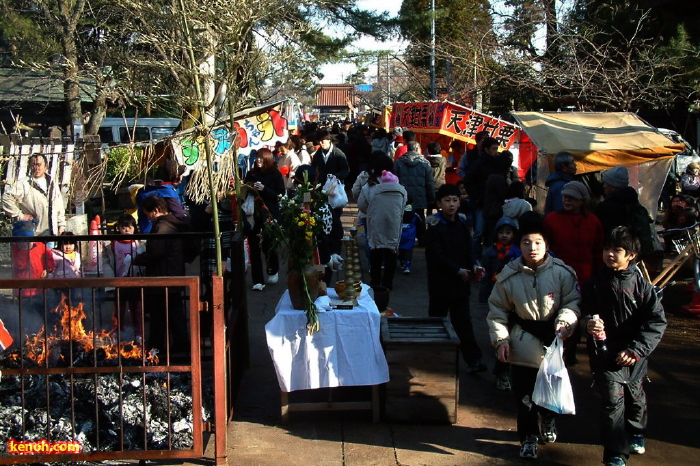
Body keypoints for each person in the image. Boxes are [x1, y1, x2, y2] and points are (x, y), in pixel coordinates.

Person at [487, 212, 580, 459]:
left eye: (538, 242)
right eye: (526, 243)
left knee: (550, 394)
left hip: (553, 344)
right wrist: (501, 341)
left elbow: (572, 302)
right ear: (519, 246)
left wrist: (565, 322)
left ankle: (548, 419)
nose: (532, 248)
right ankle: (528, 438)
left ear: (547, 245)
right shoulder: (509, 276)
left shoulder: (562, 273)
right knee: (525, 398)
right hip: (522, 346)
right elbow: (497, 312)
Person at [581, 226, 667, 466]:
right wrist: (587, 324)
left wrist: (636, 350)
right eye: (607, 249)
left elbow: (656, 321)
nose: (609, 254)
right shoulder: (594, 284)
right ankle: (616, 453)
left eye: (617, 250)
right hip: (605, 354)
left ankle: (637, 431)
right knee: (612, 402)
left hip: (634, 353)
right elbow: (583, 313)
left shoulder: (641, 286)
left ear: (631, 255)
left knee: (635, 396)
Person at [426, 183, 486, 373]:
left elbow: (468, 250)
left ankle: (474, 359)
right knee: (437, 323)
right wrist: (456, 270)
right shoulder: (433, 226)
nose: (451, 204)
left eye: (454, 200)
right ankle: (434, 361)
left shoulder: (462, 224)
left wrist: (475, 265)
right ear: (439, 203)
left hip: (461, 284)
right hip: (441, 284)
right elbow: (435, 255)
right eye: (447, 201)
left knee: (464, 323)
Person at [132, 195, 190, 356]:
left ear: (156, 211)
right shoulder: (171, 224)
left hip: (163, 277)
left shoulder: (163, 227)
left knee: (160, 316)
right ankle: (180, 347)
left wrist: (138, 259)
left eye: (148, 214)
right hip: (172, 275)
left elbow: (155, 252)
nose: (148, 218)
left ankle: (158, 349)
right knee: (175, 314)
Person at [358, 155, 407, 305]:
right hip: (393, 222)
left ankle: (375, 281)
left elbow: (361, 204)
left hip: (375, 222)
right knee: (391, 251)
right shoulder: (399, 186)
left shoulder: (370, 185)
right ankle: (388, 282)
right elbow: (403, 204)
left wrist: (371, 212)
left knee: (376, 251)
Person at [480, 216, 521, 391]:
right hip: (495, 294)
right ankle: (501, 369)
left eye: (508, 232)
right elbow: (485, 275)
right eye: (502, 232)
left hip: (513, 298)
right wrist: (484, 295)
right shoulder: (491, 252)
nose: (504, 236)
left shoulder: (517, 253)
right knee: (498, 324)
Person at [244, 148, 286, 290]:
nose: (259, 161)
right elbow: (244, 190)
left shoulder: (275, 174)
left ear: (268, 159)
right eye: (257, 158)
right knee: (254, 246)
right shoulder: (251, 173)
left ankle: (273, 269)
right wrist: (249, 187)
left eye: (262, 158)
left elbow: (280, 194)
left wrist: (264, 189)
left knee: (269, 245)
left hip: (270, 214)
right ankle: (257, 281)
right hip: (253, 215)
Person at [595, 166, 655, 257]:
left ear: (613, 186)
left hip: (614, 250)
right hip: (633, 249)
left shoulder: (606, 207)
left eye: (606, 183)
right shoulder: (633, 201)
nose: (604, 186)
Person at [103, 214, 146, 341]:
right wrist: (110, 279)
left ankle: (138, 332)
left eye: (130, 227)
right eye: (124, 227)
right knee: (119, 309)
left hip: (135, 280)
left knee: (137, 308)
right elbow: (106, 262)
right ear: (118, 229)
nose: (127, 230)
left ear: (134, 228)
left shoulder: (139, 244)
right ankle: (117, 331)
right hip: (119, 280)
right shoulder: (112, 245)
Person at [312, 129, 350, 271]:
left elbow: (346, 170)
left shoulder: (339, 154)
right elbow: (314, 170)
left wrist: (336, 176)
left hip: (335, 192)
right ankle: (327, 251)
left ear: (329, 140)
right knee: (324, 220)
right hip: (322, 192)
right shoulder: (317, 155)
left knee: (335, 220)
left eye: (323, 141)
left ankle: (334, 251)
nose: (321, 144)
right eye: (319, 141)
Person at [2, 153, 66, 236]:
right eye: (33, 165)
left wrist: (61, 225)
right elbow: (6, 198)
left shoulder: (52, 184)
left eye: (39, 165)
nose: (36, 168)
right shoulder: (24, 184)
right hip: (33, 234)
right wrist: (20, 215)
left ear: (45, 166)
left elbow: (59, 206)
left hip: (52, 233)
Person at [464, 137, 501, 261]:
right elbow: (468, 181)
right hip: (481, 203)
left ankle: (489, 260)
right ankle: (474, 259)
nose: (496, 151)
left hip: (494, 204)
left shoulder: (497, 164)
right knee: (478, 232)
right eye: (493, 149)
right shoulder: (478, 164)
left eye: (497, 149)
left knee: (492, 233)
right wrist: (477, 198)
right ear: (486, 149)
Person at [395, 141, 435, 247]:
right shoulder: (425, 163)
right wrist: (432, 198)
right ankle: (422, 241)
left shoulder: (399, 162)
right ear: (417, 149)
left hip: (404, 198)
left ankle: (402, 240)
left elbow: (395, 181)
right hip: (420, 197)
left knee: (402, 219)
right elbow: (429, 183)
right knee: (420, 219)